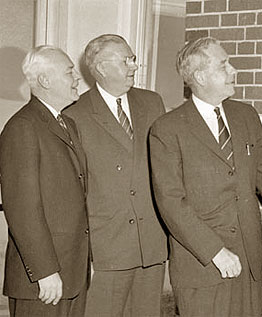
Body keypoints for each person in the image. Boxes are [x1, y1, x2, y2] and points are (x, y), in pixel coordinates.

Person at [149, 36, 262, 317]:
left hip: (248, 259)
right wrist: (215, 251)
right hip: (202, 264)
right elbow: (170, 202)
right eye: (224, 65)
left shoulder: (246, 116)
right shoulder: (167, 129)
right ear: (201, 76)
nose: (233, 70)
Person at [63, 34, 167, 317]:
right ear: (100, 68)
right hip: (106, 246)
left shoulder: (152, 102)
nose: (134, 66)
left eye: (133, 59)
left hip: (151, 243)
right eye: (126, 61)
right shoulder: (75, 113)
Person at [0, 46, 89, 316]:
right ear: (45, 81)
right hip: (44, 281)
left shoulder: (66, 124)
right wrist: (45, 270)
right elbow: (22, 209)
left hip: (71, 273)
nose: (76, 79)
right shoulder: (22, 127)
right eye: (69, 72)